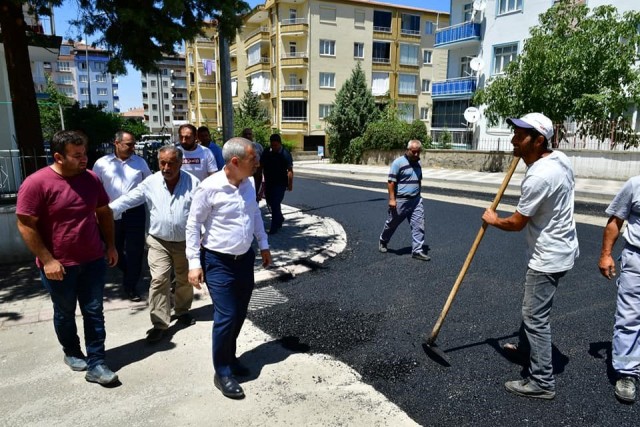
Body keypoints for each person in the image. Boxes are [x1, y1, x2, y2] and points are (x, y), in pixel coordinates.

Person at [481, 112, 579, 400]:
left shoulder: (540, 175)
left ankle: (542, 381)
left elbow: (517, 222)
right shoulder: (558, 159)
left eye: (520, 136)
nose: (513, 140)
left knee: (535, 317)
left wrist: (493, 219)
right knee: (533, 308)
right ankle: (526, 351)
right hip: (561, 248)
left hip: (548, 255)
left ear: (538, 141)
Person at [16, 130, 119, 385]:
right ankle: (72, 351)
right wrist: (47, 260)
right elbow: (26, 224)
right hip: (59, 265)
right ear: (58, 157)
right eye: (76, 155)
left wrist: (111, 246)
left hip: (93, 259)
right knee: (64, 312)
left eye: (84, 153)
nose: (83, 159)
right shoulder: (37, 183)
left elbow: (103, 213)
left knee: (94, 311)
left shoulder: (91, 179)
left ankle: (97, 363)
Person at [186, 137, 271, 399]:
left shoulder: (249, 183)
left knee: (240, 313)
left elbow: (255, 214)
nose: (257, 163)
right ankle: (222, 372)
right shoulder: (209, 188)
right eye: (252, 159)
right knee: (226, 316)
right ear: (235, 162)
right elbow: (192, 224)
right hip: (218, 262)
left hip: (244, 259)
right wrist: (193, 263)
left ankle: (230, 357)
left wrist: (263, 244)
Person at [110, 146, 200, 343]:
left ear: (180, 163)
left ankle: (182, 310)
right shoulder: (150, 182)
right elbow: (128, 199)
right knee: (159, 279)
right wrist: (107, 211)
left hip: (186, 242)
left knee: (184, 279)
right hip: (158, 241)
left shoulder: (193, 183)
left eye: (171, 163)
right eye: (162, 163)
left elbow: (204, 211)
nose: (166, 167)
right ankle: (160, 323)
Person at [92, 130, 152, 302]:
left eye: (133, 144)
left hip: (135, 213)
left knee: (135, 251)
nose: (133, 147)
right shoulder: (102, 164)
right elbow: (95, 188)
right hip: (109, 213)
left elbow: (148, 186)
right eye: (129, 144)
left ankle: (130, 286)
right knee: (112, 248)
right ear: (116, 143)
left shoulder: (140, 163)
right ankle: (129, 272)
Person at [598, 177, 640, 403]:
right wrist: (606, 254)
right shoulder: (635, 184)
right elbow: (616, 220)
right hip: (637, 258)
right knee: (629, 317)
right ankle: (627, 372)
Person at [378, 140, 430, 261]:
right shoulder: (398, 163)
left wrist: (418, 195)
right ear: (408, 150)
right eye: (414, 152)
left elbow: (419, 180)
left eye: (418, 152)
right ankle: (383, 240)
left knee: (419, 225)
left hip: (416, 201)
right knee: (392, 223)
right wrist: (392, 199)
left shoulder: (418, 163)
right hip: (401, 200)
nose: (417, 155)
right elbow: (391, 182)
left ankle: (417, 250)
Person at [260, 133, 293, 234]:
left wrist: (290, 184)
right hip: (269, 182)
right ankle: (280, 218)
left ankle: (274, 227)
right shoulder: (266, 152)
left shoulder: (285, 154)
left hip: (280, 183)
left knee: (275, 203)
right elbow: (260, 165)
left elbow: (290, 170)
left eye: (275, 145)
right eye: (272, 145)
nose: (274, 147)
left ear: (280, 144)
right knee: (270, 202)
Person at [241, 127, 264, 199]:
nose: (248, 136)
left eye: (249, 134)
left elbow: (262, 160)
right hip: (244, 175)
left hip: (257, 174)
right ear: (242, 136)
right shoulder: (239, 147)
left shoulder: (258, 146)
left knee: (255, 194)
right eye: (245, 134)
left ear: (252, 135)